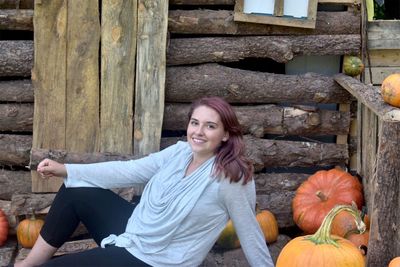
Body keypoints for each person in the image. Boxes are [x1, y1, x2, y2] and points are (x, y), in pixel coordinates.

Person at [15, 96, 274, 267]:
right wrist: (67, 169)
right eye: (195, 123)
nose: (198, 131)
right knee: (76, 191)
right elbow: (128, 170)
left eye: (210, 126)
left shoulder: (231, 178)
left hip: (157, 261)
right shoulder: (179, 152)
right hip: (140, 231)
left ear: (226, 134)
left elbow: (250, 234)